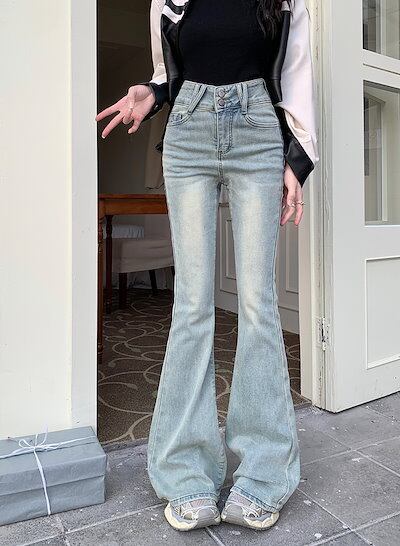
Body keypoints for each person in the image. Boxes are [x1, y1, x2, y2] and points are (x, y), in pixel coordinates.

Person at [96, 0, 319, 533]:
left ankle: (264, 474)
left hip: (258, 132)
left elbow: (296, 75)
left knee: (258, 305)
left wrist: (298, 157)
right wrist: (151, 93)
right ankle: (185, 472)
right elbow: (168, 72)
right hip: (188, 132)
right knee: (192, 304)